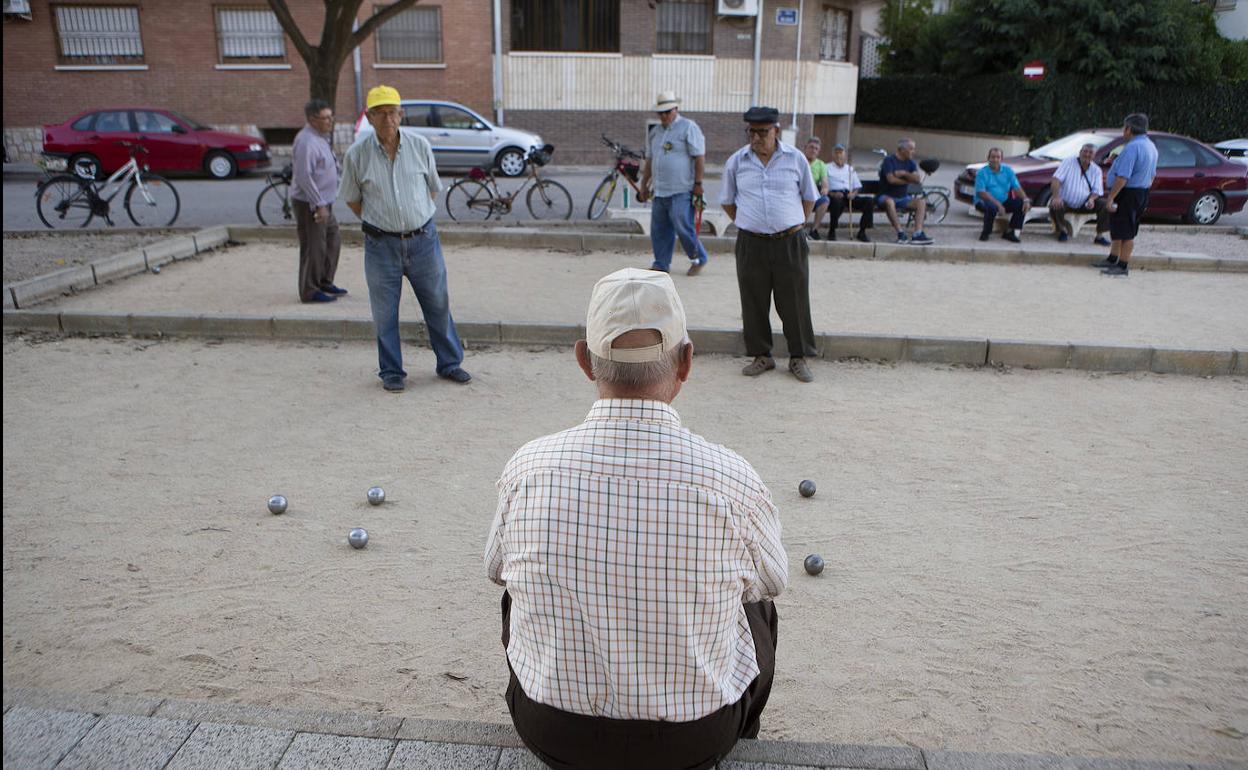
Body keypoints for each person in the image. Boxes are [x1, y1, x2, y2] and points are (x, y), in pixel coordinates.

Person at [486, 267, 787, 770]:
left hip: (552, 732)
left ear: (585, 361)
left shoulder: (528, 467)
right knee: (758, 608)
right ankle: (743, 734)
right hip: (693, 741)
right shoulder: (731, 477)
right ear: (686, 362)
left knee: (516, 589)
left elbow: (495, 568)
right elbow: (772, 581)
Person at [338, 85, 471, 391]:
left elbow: (432, 189)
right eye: (380, 113)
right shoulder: (357, 155)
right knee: (384, 312)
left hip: (423, 241)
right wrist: (383, 221)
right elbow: (353, 199)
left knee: (437, 303)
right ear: (369, 117)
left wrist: (413, 218)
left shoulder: (420, 146)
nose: (388, 119)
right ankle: (392, 371)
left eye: (392, 112)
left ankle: (450, 363)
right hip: (380, 246)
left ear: (401, 114)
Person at [720, 106, 819, 383]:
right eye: (751, 132)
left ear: (776, 131)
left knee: (795, 301)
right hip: (751, 243)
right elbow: (727, 201)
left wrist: (793, 222)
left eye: (762, 132)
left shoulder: (796, 159)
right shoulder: (737, 162)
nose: (755, 138)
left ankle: (798, 357)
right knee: (753, 300)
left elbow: (809, 197)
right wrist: (750, 221)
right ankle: (761, 355)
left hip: (790, 241)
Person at [637, 91, 709, 276]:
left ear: (676, 109)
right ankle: (661, 264)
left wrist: (698, 184)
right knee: (659, 229)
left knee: (683, 226)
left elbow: (699, 157)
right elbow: (651, 160)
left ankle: (698, 258)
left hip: (682, 189)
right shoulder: (655, 132)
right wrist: (644, 185)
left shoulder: (688, 127)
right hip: (660, 190)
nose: (664, 116)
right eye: (661, 112)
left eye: (667, 112)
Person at [291, 99, 345, 303]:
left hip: (325, 201)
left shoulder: (320, 137)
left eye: (331, 116)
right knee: (314, 246)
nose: (331, 121)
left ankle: (324, 280)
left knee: (332, 240)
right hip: (311, 204)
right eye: (326, 118)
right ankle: (310, 290)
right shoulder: (306, 142)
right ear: (313, 119)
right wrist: (319, 205)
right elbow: (304, 177)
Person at [1096, 113, 1158, 277]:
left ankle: (1122, 265)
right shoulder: (1151, 146)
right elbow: (1152, 175)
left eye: (1124, 128)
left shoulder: (1132, 147)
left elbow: (1123, 177)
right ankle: (1113, 258)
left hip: (1128, 192)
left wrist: (1111, 197)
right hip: (1141, 191)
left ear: (1129, 129)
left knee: (1126, 230)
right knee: (1119, 227)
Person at [1049, 143, 1110, 245]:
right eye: (1085, 151)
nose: (1087, 154)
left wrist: (1091, 200)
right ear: (1080, 152)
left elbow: (1097, 191)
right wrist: (1056, 197)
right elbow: (1056, 180)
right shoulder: (1069, 162)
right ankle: (1062, 231)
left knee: (1106, 205)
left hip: (1084, 203)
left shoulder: (1096, 170)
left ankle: (1099, 235)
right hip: (1065, 201)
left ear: (1094, 156)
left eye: (1090, 153)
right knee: (1055, 204)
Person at [877, 138, 932, 244]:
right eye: (911, 149)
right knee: (889, 202)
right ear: (902, 149)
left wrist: (904, 173)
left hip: (903, 197)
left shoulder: (910, 162)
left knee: (921, 202)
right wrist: (908, 181)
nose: (913, 152)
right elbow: (891, 180)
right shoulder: (889, 160)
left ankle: (918, 234)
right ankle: (901, 233)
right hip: (886, 195)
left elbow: (917, 179)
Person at [973, 147, 1030, 243]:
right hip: (983, 201)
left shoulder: (1008, 171)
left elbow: (1016, 187)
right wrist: (998, 205)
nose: (995, 160)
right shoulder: (982, 173)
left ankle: (1010, 232)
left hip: (1003, 200)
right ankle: (986, 232)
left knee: (1021, 204)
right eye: (993, 157)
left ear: (1001, 159)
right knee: (992, 207)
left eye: (998, 157)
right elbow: (981, 193)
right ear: (988, 158)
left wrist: (1025, 199)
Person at [824, 143, 872, 242]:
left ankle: (862, 232)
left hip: (849, 195)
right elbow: (824, 186)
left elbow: (857, 186)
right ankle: (832, 230)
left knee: (869, 201)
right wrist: (833, 194)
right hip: (835, 195)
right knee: (836, 202)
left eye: (841, 153)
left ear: (844, 155)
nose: (838, 155)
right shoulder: (826, 167)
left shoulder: (850, 169)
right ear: (833, 155)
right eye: (836, 153)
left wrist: (854, 194)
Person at [802, 136, 831, 239]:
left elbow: (825, 181)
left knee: (825, 200)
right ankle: (799, 229)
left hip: (813, 194)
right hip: (798, 193)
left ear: (818, 151)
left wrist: (825, 188)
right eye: (811, 147)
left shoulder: (821, 164)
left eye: (816, 148)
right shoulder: (799, 160)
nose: (813, 150)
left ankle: (814, 230)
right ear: (805, 147)